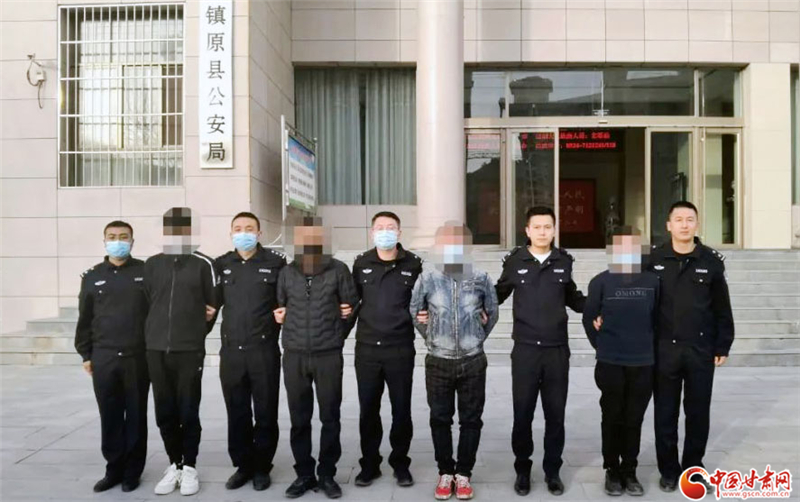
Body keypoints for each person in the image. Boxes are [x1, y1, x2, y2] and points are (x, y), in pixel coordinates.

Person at [494, 206, 586, 496]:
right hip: (525, 351)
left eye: (548, 227)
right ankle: (522, 470)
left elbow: (573, 298)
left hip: (556, 350)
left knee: (555, 415)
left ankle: (552, 471)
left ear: (554, 230)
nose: (543, 232)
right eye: (537, 227)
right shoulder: (515, 261)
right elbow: (497, 294)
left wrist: (601, 306)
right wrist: (474, 305)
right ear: (527, 230)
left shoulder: (563, 261)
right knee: (523, 413)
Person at [648, 201, 734, 493]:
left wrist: (723, 344)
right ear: (668, 225)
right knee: (665, 413)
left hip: (700, 349)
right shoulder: (653, 259)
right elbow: (637, 299)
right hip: (664, 349)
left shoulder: (710, 261)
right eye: (679, 219)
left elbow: (722, 308)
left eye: (689, 219)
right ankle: (668, 470)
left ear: (697, 224)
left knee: (698, 413)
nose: (684, 225)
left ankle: (693, 468)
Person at [410, 222, 499, 501]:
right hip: (439, 360)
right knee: (440, 418)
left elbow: (492, 312)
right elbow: (415, 311)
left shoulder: (481, 277)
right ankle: (445, 471)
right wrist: (433, 336)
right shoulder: (427, 278)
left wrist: (476, 336)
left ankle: (464, 474)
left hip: (473, 361)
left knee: (471, 419)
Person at [274, 216, 359, 499]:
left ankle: (327, 474)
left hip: (328, 355)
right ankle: (304, 474)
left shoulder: (338, 269)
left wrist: (337, 334)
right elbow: (279, 306)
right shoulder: (287, 272)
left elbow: (351, 306)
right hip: (295, 354)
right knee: (299, 419)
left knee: (330, 416)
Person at [144, 207, 218, 496]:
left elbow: (212, 308)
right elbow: (147, 303)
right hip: (156, 349)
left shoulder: (203, 264)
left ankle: (190, 466)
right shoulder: (152, 264)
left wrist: (195, 333)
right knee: (164, 411)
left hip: (189, 351)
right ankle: (173, 463)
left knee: (188, 409)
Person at [582, 228, 659, 497]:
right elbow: (589, 319)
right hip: (611, 362)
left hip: (643, 362)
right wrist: (603, 346)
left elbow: (658, 319)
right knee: (612, 416)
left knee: (634, 418)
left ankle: (630, 469)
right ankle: (612, 469)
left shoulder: (653, 281)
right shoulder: (600, 282)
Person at [75, 220, 149, 493]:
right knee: (109, 414)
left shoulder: (145, 272)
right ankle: (114, 469)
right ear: (104, 241)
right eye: (112, 236)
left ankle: (132, 471)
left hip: (137, 356)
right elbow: (85, 318)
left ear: (132, 241)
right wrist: (86, 354)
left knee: (136, 415)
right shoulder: (92, 276)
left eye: (123, 236)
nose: (118, 241)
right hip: (104, 356)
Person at [215, 212, 286, 491]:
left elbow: (286, 299)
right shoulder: (222, 264)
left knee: (266, 412)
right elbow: (211, 303)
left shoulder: (275, 263)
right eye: (238, 228)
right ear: (231, 233)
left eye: (249, 228)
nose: (243, 233)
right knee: (237, 412)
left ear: (259, 233)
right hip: (232, 351)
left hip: (263, 349)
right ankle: (243, 465)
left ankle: (262, 467)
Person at [351, 211, 422, 488]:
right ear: (372, 233)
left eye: (390, 227)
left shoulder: (413, 264)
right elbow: (351, 302)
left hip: (400, 348)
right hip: (367, 349)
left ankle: (400, 464)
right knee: (368, 410)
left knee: (401, 409)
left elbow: (422, 300)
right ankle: (369, 465)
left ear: (399, 232)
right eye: (379, 227)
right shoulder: (361, 263)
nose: (385, 232)